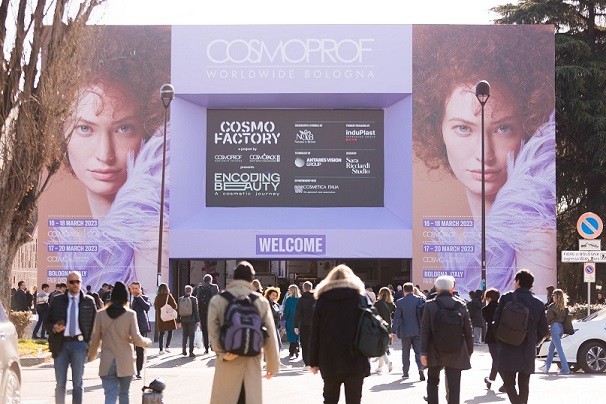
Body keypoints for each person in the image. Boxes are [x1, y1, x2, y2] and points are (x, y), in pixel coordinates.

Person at [413, 25, 556, 296]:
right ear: (436, 130)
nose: (484, 154)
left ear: (526, 129)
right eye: (463, 128)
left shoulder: (536, 239)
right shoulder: (455, 250)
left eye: (503, 128)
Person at [49, 26, 171, 291]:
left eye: (123, 128)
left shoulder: (152, 239)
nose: (105, 154)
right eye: (85, 128)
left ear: (147, 129)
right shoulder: (75, 247)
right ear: (61, 133)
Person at [208, 261, 280, 404]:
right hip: (251, 361)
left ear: (234, 278)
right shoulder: (261, 301)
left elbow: (213, 331)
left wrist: (222, 354)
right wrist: (272, 365)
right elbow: (270, 335)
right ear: (252, 281)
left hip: (228, 360)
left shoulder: (219, 300)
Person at [309, 264, 370, 404]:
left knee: (330, 399)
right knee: (354, 400)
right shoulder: (360, 299)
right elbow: (370, 326)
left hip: (329, 359)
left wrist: (313, 361)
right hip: (356, 357)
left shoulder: (322, 300)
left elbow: (315, 333)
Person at [88, 281, 152, 403]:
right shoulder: (130, 314)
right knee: (124, 394)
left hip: (107, 362)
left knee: (109, 395)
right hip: (125, 361)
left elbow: (95, 339)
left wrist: (91, 355)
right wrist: (146, 342)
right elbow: (137, 339)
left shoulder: (101, 315)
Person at [493, 269, 548, 404]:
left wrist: (501, 338)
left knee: (508, 382)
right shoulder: (538, 303)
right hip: (527, 346)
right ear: (531, 284)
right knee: (524, 383)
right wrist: (535, 340)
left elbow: (496, 322)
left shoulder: (506, 298)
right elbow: (544, 329)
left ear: (517, 282)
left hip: (508, 345)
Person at [45, 271, 97, 404]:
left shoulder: (88, 301)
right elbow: (47, 322)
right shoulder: (57, 300)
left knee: (77, 383)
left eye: (77, 281)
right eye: (72, 282)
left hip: (79, 345)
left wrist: (89, 343)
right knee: (60, 384)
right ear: (67, 284)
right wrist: (54, 327)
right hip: (60, 344)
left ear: (81, 283)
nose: (75, 284)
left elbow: (95, 325)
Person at [420, 275, 473, 404]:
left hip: (434, 349)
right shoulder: (461, 305)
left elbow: (425, 330)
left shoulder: (430, 305)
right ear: (452, 288)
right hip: (457, 349)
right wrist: (469, 351)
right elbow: (468, 330)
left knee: (432, 381)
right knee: (454, 386)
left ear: (436, 289)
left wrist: (423, 352)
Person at [391, 282, 425, 380]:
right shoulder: (420, 300)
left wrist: (393, 331)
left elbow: (397, 318)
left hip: (405, 331)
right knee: (418, 351)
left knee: (405, 352)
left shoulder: (400, 302)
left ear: (404, 291)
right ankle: (420, 368)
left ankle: (405, 372)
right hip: (418, 330)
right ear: (413, 290)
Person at [539, 289, 571, 375]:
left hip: (555, 327)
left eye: (553, 295)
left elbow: (548, 319)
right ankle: (546, 367)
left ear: (556, 296)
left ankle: (565, 368)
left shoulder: (552, 306)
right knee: (551, 349)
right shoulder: (564, 307)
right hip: (561, 328)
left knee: (559, 349)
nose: (552, 296)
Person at [481, 288, 503, 391]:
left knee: (497, 359)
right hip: (503, 336)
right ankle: (490, 379)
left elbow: (487, 319)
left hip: (492, 336)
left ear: (489, 298)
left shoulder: (485, 310)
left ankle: (507, 382)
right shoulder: (503, 308)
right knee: (497, 359)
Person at [129, 281, 150, 379]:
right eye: (133, 288)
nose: (134, 290)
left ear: (140, 289)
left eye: (136, 288)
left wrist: (138, 297)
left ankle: (138, 371)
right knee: (128, 350)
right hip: (128, 327)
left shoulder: (144, 298)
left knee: (139, 350)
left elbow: (147, 307)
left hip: (140, 327)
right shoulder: (127, 299)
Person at [196, 274, 220, 354]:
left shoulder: (200, 288)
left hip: (203, 312)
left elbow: (198, 299)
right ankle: (213, 345)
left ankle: (206, 348)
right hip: (213, 311)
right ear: (211, 280)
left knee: (204, 330)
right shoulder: (214, 287)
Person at [374, 287, 395, 374]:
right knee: (383, 346)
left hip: (380, 326)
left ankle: (387, 362)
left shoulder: (377, 304)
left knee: (380, 346)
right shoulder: (391, 304)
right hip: (388, 326)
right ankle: (380, 366)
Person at [294, 281, 315, 366]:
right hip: (315, 325)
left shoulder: (301, 300)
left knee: (304, 343)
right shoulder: (316, 299)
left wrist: (296, 326)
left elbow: (297, 313)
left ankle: (307, 362)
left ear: (303, 288)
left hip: (304, 324)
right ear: (311, 288)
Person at [153, 283, 177, 355]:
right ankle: (167, 346)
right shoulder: (168, 296)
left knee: (161, 333)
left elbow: (155, 307)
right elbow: (175, 306)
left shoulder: (157, 297)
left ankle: (161, 349)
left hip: (161, 318)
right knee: (170, 332)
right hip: (169, 317)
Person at [177, 285, 200, 358]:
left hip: (183, 319)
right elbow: (196, 311)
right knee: (191, 336)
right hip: (192, 320)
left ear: (185, 291)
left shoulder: (180, 299)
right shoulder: (194, 299)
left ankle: (184, 350)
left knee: (184, 335)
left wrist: (178, 321)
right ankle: (191, 352)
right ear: (191, 291)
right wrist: (198, 320)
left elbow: (178, 311)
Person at [282, 284, 301, 360]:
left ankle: (292, 350)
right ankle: (297, 347)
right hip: (299, 319)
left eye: (289, 289)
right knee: (297, 334)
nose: (288, 291)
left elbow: (286, 310)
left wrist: (284, 317)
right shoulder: (300, 299)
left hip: (290, 319)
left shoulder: (289, 299)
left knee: (291, 334)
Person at [264, 286, 283, 351]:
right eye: (273, 295)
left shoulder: (276, 304)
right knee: (277, 345)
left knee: (278, 345)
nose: (274, 297)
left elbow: (277, 313)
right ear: (269, 295)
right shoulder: (266, 303)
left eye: (276, 295)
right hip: (269, 325)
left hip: (275, 325)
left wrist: (280, 314)